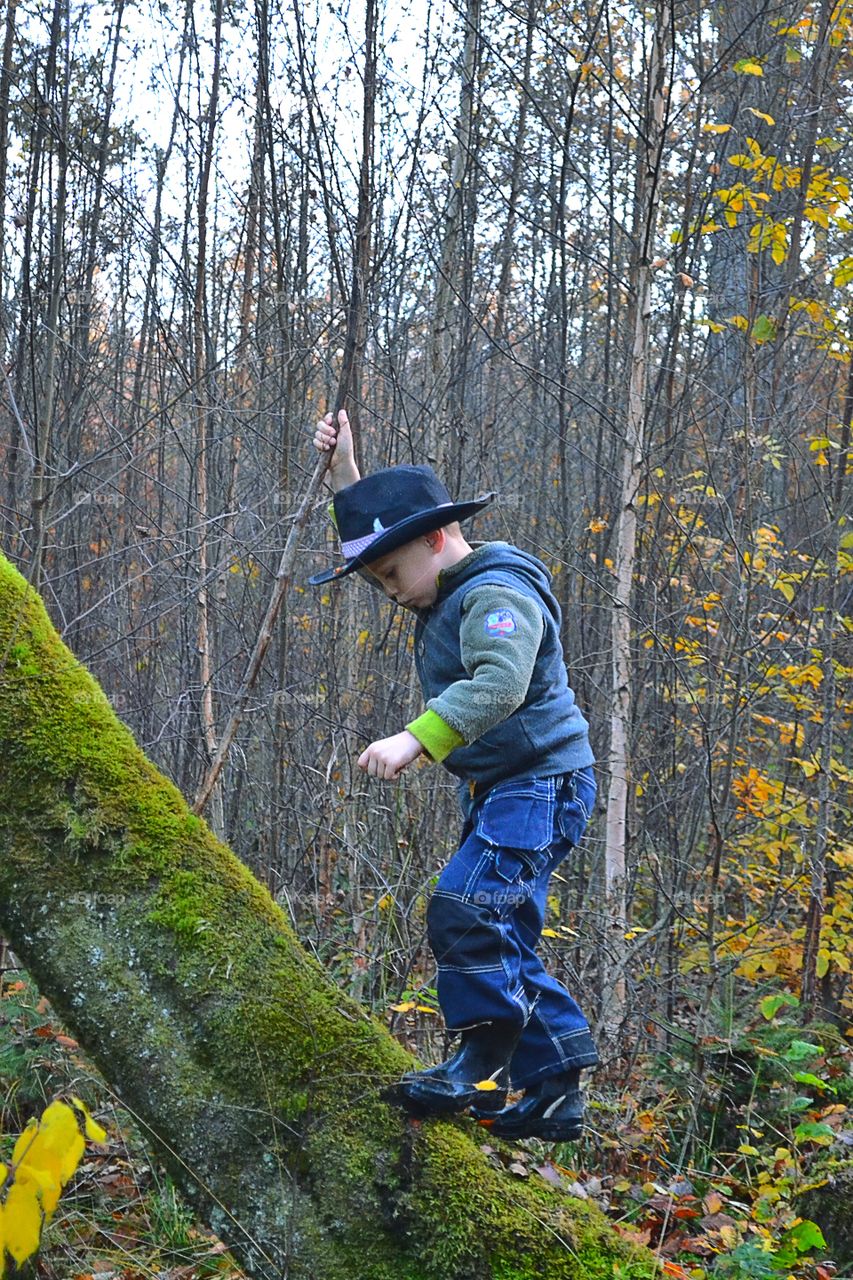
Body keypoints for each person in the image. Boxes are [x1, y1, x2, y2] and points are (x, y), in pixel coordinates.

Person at [309, 409, 599, 1141]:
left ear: (436, 540)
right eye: (377, 581)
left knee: (465, 909)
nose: (391, 591)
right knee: (496, 929)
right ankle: (555, 1088)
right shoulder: (445, 577)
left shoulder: (494, 594)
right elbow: (390, 526)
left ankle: (479, 1063)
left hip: (541, 783)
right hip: (511, 788)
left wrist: (417, 738)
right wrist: (347, 470)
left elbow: (499, 686)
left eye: (391, 574)